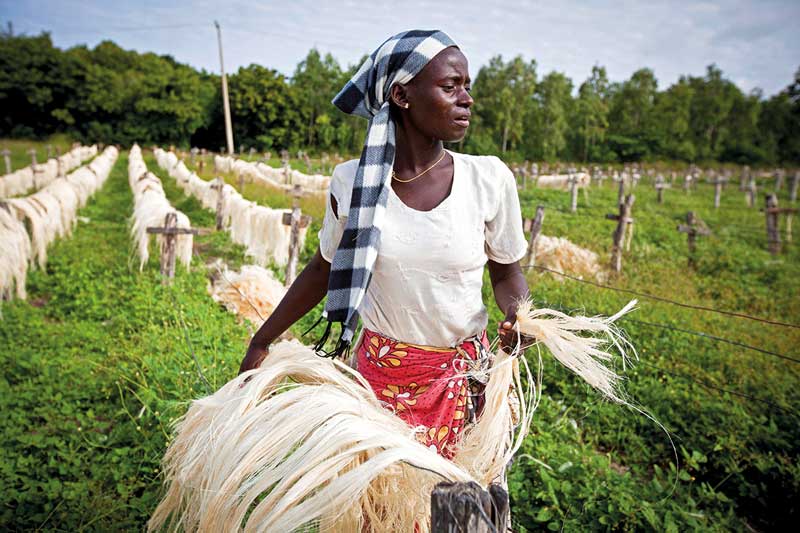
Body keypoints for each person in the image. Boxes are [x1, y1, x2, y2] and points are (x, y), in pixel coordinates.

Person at [238, 29, 532, 458]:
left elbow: (507, 273)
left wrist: (519, 316)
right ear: (401, 95)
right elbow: (324, 269)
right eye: (450, 87)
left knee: (457, 506)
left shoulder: (488, 178)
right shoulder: (352, 183)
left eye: (467, 87)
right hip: (379, 383)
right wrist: (262, 341)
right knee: (379, 508)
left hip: (465, 382)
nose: (467, 99)